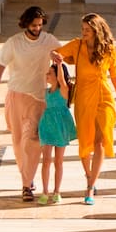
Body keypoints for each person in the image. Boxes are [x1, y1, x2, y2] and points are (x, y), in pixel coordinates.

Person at [0, 5, 62, 202]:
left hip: (38, 99)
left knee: (32, 141)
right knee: (19, 142)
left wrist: (56, 57)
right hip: (16, 97)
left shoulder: (49, 40)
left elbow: (66, 56)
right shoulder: (14, 43)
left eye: (40, 25)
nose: (37, 28)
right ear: (26, 23)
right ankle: (27, 179)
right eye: (34, 25)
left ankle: (26, 185)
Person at [53, 12, 116, 205]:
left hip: (104, 97)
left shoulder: (109, 49)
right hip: (84, 98)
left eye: (87, 29)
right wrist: (57, 57)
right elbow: (56, 52)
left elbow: (115, 77)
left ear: (96, 30)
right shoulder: (77, 45)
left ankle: (90, 186)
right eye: (82, 29)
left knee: (99, 141)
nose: (83, 32)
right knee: (86, 141)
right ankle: (89, 175)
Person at [35, 63, 75, 205]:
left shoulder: (64, 89)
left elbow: (62, 81)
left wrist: (58, 63)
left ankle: (57, 191)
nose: (47, 75)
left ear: (58, 76)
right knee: (46, 160)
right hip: (47, 126)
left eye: (50, 73)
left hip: (61, 127)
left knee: (58, 161)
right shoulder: (46, 92)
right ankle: (45, 191)